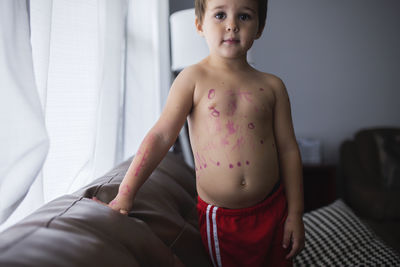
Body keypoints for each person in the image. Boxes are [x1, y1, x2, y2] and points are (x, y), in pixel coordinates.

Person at [94, 0, 305, 265]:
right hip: (224, 220)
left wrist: (295, 213)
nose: (231, 25)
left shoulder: (273, 86)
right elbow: (161, 136)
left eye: (244, 16)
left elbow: (288, 150)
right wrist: (125, 194)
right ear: (199, 25)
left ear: (260, 28)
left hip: (273, 209)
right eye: (219, 15)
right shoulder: (192, 79)